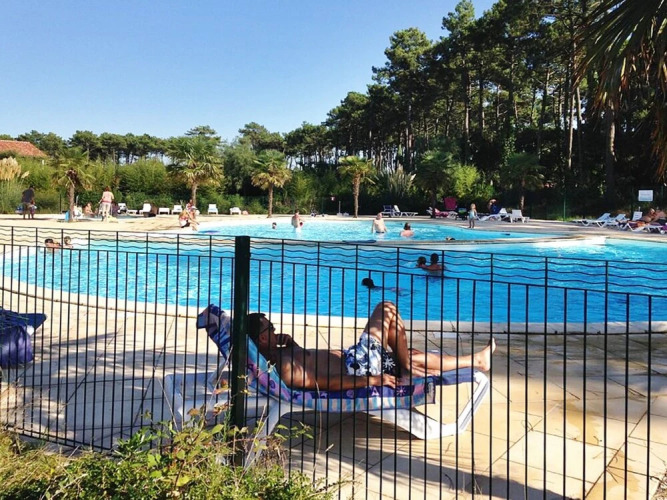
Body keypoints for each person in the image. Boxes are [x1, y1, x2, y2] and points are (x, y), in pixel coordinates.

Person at [246, 301, 496, 390]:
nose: (276, 331)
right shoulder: (283, 366)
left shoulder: (280, 354)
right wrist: (374, 380)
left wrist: (293, 345)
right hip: (358, 367)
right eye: (271, 329)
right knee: (387, 308)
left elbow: (312, 362)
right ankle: (407, 367)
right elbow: (326, 382)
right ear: (263, 339)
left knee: (411, 353)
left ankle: (476, 360)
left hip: (355, 359)